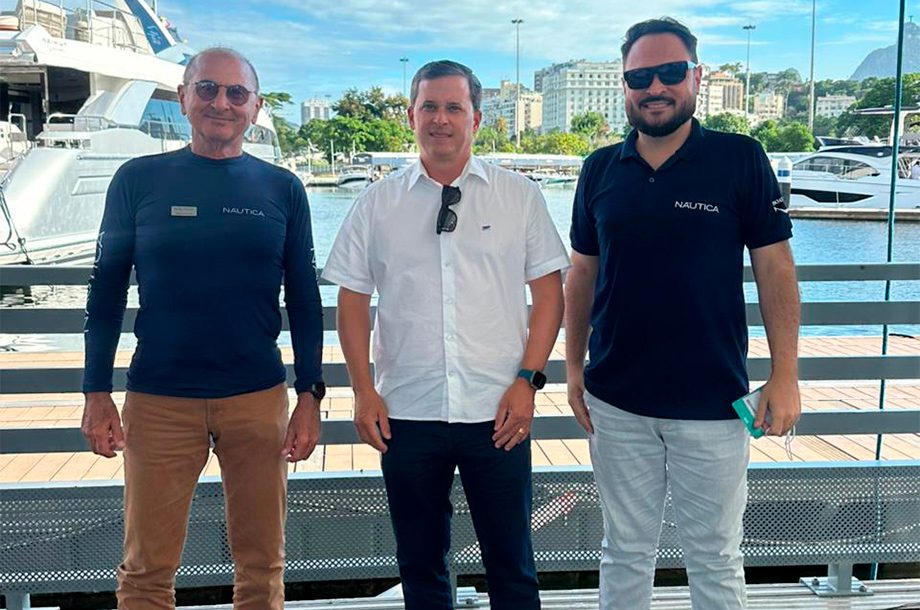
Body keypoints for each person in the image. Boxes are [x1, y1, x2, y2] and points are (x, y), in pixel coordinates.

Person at [564, 18, 801, 610]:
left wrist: (786, 375)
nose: (655, 87)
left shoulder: (740, 158)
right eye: (639, 76)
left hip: (714, 403)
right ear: (625, 85)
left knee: (715, 557)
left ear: (697, 76)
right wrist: (571, 369)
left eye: (670, 72)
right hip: (616, 401)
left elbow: (776, 270)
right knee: (624, 551)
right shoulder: (599, 169)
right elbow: (581, 275)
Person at [81, 47, 325, 610]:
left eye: (237, 93)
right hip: (159, 400)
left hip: (257, 398)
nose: (222, 103)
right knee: (146, 570)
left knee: (262, 567)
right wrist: (96, 391)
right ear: (183, 98)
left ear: (255, 107)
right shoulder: (138, 180)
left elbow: (305, 300)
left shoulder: (283, 188)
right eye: (208, 88)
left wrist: (310, 395)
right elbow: (106, 291)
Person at [322, 60, 569, 610]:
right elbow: (353, 302)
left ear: (476, 119)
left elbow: (550, 296)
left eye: (453, 107)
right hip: (406, 411)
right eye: (428, 107)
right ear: (411, 116)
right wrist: (363, 391)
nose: (440, 119)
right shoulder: (376, 203)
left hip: (498, 410)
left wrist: (528, 381)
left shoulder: (518, 196)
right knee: (421, 565)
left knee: (512, 563)